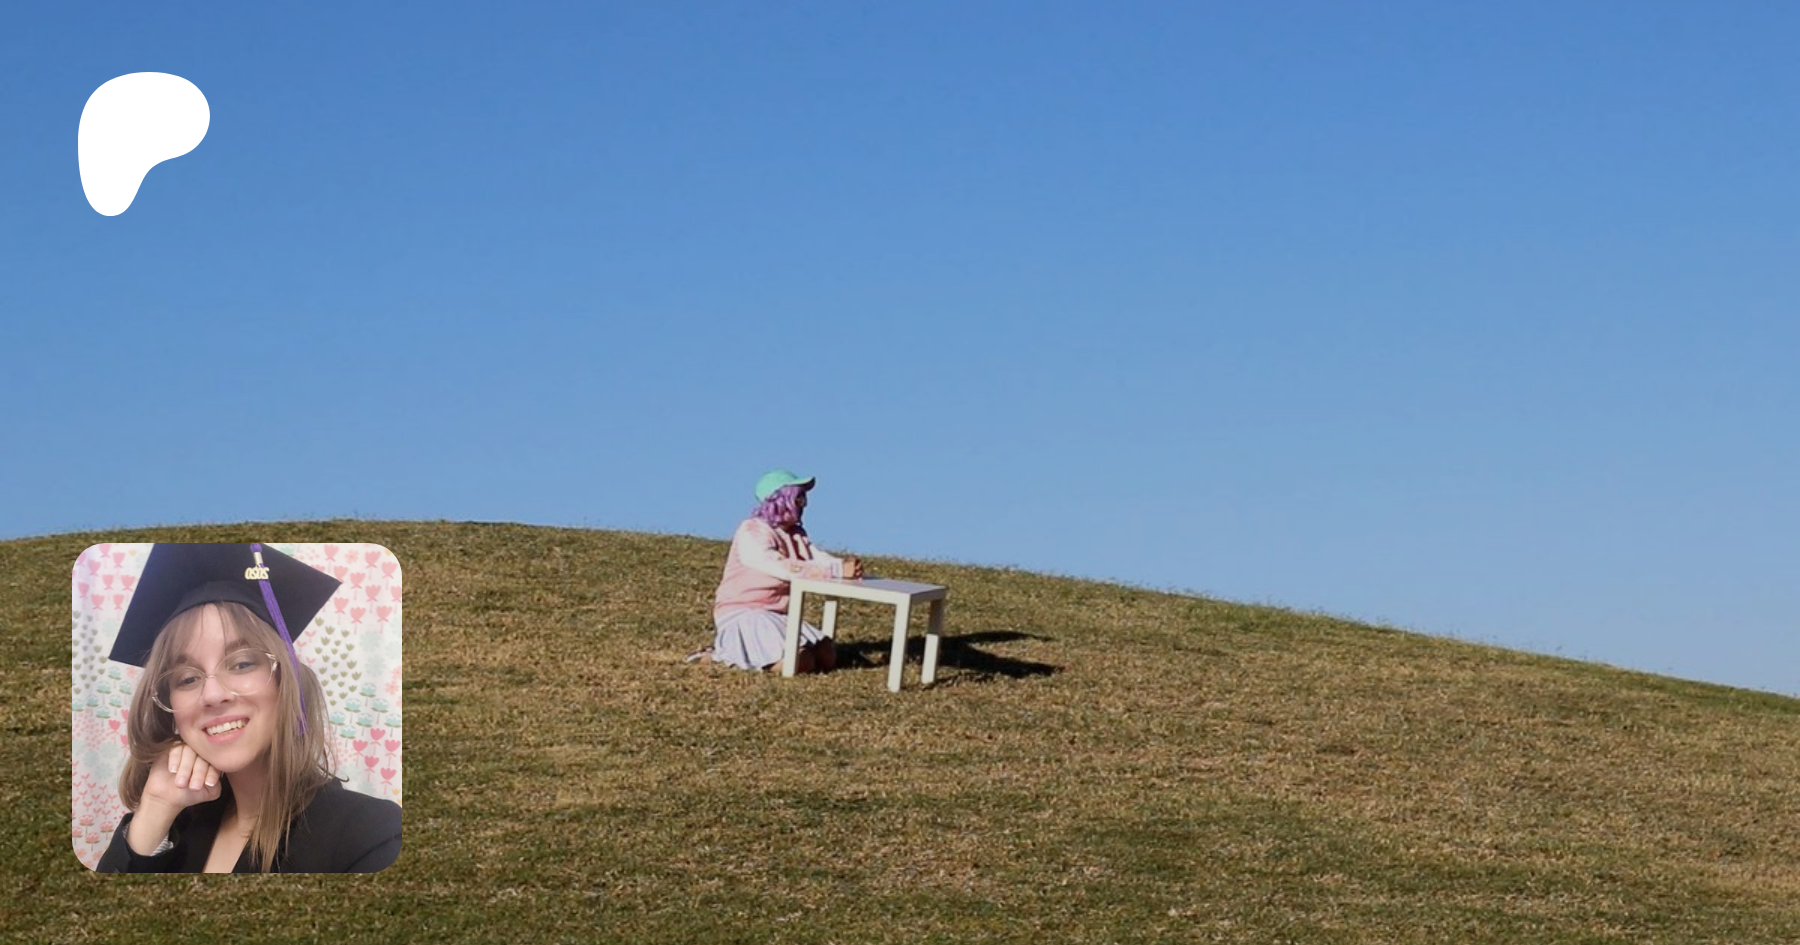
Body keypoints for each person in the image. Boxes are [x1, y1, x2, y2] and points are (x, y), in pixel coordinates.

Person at [95, 543, 401, 873]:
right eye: (187, 679)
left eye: (242, 664)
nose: (212, 695)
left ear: (286, 680)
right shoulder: (178, 827)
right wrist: (157, 805)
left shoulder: (371, 836)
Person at [699, 470, 864, 672]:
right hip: (744, 613)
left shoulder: (795, 533)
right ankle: (722, 656)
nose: (804, 504)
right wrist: (835, 569)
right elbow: (777, 565)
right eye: (799, 498)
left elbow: (814, 556)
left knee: (826, 655)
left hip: (776, 614)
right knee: (800, 661)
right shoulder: (752, 530)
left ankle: (753, 655)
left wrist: (842, 566)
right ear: (780, 499)